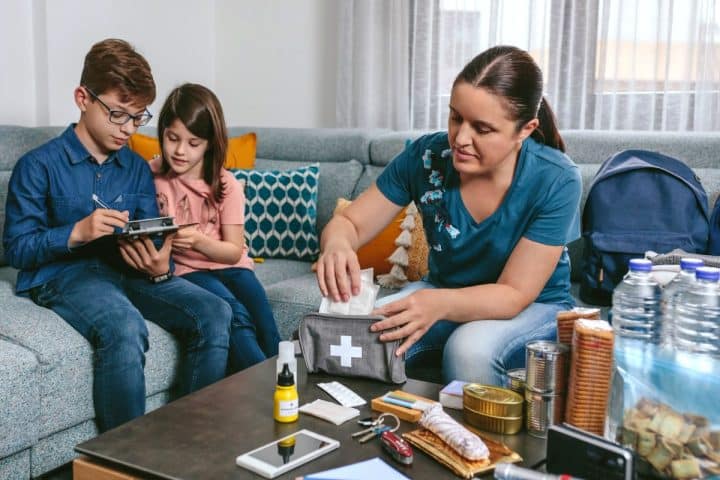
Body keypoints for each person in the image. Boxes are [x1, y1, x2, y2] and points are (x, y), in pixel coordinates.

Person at [316, 45, 582, 386]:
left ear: (525, 130)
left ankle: (470, 442)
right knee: (353, 339)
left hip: (532, 306)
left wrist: (436, 302)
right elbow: (350, 222)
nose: (460, 138)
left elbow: (514, 292)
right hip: (442, 293)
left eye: (482, 129)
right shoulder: (426, 157)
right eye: (456, 117)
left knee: (468, 349)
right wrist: (337, 243)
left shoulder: (556, 178)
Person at [3, 39, 232, 432]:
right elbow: (18, 248)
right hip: (65, 276)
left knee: (215, 312)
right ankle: (124, 465)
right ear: (82, 98)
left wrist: (162, 264)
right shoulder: (37, 166)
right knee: (124, 325)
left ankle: (192, 440)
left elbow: (150, 232)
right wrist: (76, 232)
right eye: (118, 114)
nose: (128, 128)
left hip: (127, 269)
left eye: (138, 118)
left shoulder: (136, 168)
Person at [150, 83, 281, 372]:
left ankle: (288, 384)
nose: (180, 151)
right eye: (172, 138)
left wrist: (197, 240)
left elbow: (233, 252)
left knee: (263, 319)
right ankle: (265, 389)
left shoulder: (227, 186)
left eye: (193, 143)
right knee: (235, 315)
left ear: (209, 143)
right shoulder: (152, 175)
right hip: (188, 271)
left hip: (230, 263)